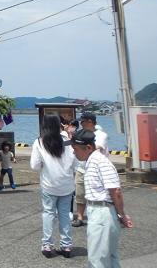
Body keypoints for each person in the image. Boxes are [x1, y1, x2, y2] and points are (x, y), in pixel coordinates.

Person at [71, 129, 133, 267]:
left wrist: (122, 215)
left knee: (97, 260)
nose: (73, 152)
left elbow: (115, 191)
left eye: (75, 149)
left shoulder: (100, 162)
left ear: (88, 148)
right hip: (101, 211)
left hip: (101, 212)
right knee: (110, 258)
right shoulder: (92, 161)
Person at [30, 115, 77, 258]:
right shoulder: (67, 142)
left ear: (44, 127)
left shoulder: (39, 142)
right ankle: (66, 246)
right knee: (64, 215)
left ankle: (47, 246)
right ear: (58, 126)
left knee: (49, 214)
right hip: (67, 185)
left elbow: (34, 166)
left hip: (49, 185)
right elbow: (75, 163)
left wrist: (45, 164)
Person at [73, 112, 109, 228]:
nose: (80, 124)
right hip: (82, 168)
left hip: (96, 170)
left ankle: (105, 216)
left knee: (99, 194)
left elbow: (96, 148)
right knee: (80, 194)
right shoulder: (81, 133)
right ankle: (79, 217)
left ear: (89, 122)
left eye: (82, 121)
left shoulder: (101, 135)